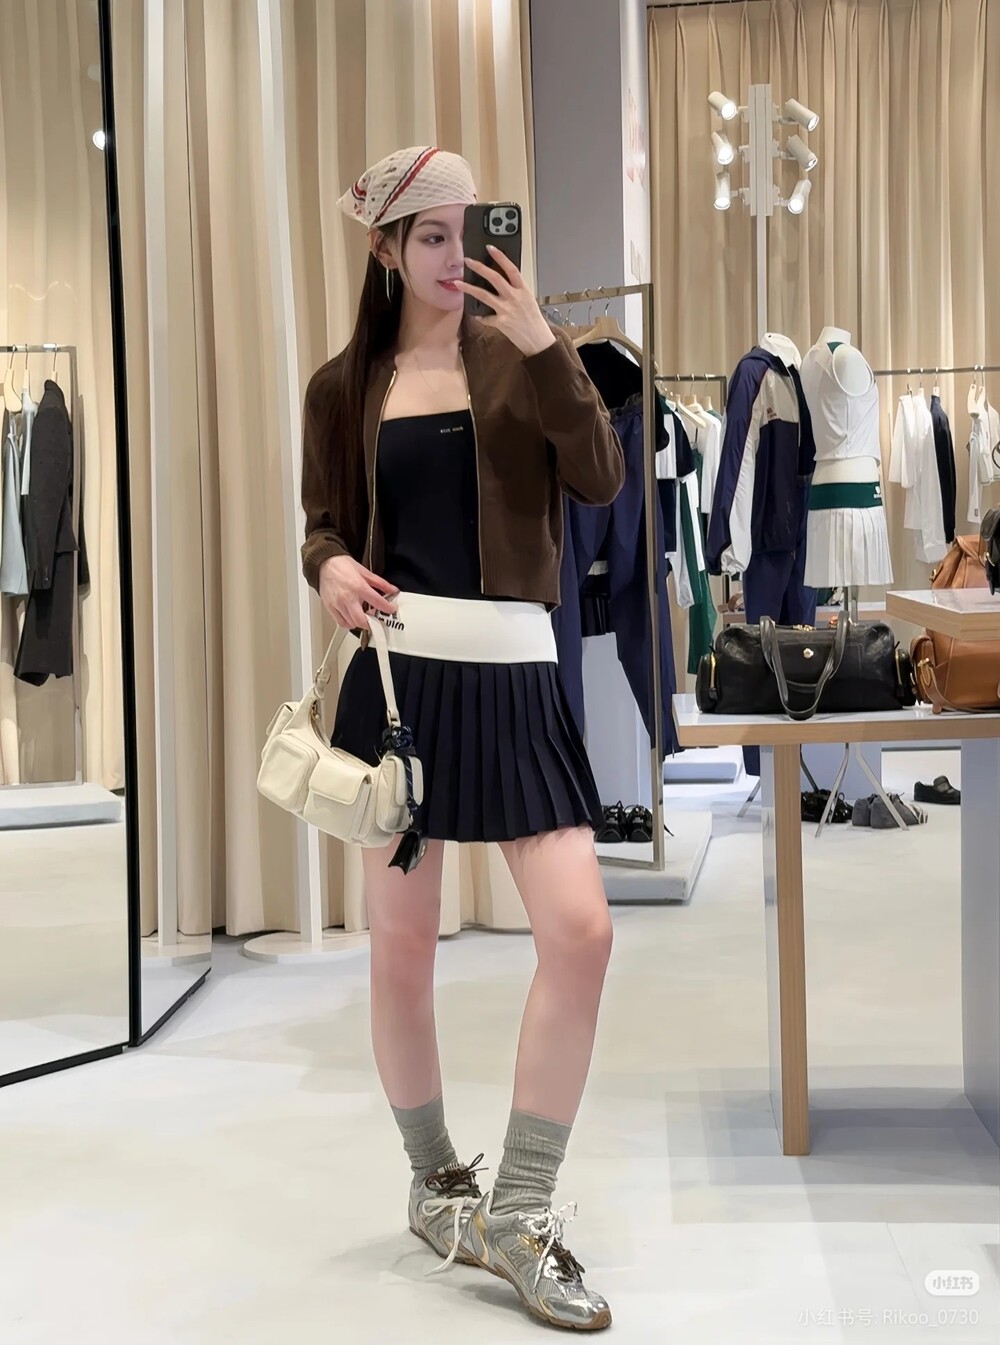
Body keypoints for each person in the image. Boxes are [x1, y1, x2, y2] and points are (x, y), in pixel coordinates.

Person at [300, 146, 624, 1333]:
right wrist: (329, 566)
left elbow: (599, 480)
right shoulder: (344, 384)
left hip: (516, 677)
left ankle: (518, 1211)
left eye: (465, 230)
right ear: (384, 249)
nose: (452, 256)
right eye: (428, 236)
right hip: (401, 685)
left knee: (580, 931)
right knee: (400, 949)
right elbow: (323, 521)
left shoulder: (525, 355)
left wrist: (544, 346)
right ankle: (437, 1182)